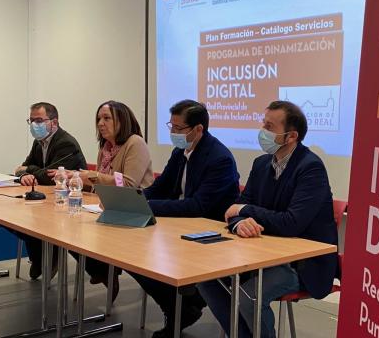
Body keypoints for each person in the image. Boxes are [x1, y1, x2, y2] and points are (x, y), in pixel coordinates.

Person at [198, 101, 339, 338]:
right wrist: (240, 221)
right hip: (262, 255)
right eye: (263, 123)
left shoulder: (310, 167)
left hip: (303, 263)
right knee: (206, 278)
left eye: (269, 126)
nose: (262, 130)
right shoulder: (261, 164)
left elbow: (291, 223)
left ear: (291, 136)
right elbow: (235, 212)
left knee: (248, 296)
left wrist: (245, 210)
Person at [129, 99, 240, 338]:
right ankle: (181, 307)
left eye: (178, 129)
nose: (172, 133)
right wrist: (136, 199)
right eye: (171, 126)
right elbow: (160, 187)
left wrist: (147, 206)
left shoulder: (219, 158)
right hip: (178, 225)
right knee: (131, 255)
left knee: (148, 256)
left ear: (198, 129)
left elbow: (197, 206)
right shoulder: (181, 151)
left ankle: (187, 304)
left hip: (209, 233)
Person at [53, 100, 154, 302]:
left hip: (137, 213)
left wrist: (92, 176)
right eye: (99, 118)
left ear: (122, 120)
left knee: (83, 234)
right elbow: (100, 183)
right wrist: (77, 178)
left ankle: (105, 270)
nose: (100, 123)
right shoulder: (106, 147)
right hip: (109, 208)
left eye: (107, 118)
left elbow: (128, 185)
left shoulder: (135, 143)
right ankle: (102, 270)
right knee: (69, 233)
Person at [11, 102, 87, 280]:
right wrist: (25, 175)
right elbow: (23, 168)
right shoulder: (39, 143)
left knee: (31, 220)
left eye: (39, 120)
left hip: (70, 203)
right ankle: (42, 258)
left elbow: (51, 177)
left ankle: (48, 257)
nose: (34, 125)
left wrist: (30, 170)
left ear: (54, 122)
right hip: (48, 200)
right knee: (18, 221)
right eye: (31, 121)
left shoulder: (66, 143)